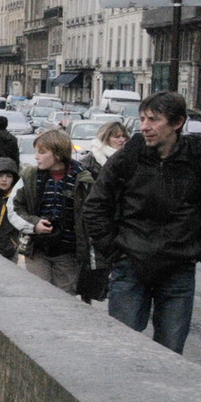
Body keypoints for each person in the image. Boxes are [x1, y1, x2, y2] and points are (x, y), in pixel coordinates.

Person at [83, 91, 201, 353]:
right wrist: (114, 250)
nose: (144, 127)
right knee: (124, 349)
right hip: (130, 264)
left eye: (154, 120)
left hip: (178, 266)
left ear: (177, 123)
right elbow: (95, 206)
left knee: (171, 352)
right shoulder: (127, 158)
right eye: (142, 119)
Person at [11, 128, 94, 295]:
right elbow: (14, 208)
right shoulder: (30, 176)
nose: (36, 157)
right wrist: (35, 224)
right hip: (38, 250)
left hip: (69, 254)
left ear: (57, 154)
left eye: (42, 152)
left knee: (64, 300)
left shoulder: (83, 179)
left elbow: (93, 216)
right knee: (40, 296)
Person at [72, 120, 129, 302]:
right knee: (92, 269)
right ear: (106, 138)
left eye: (123, 136)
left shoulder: (129, 162)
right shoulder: (89, 162)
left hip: (119, 224)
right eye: (116, 136)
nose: (121, 140)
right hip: (94, 225)